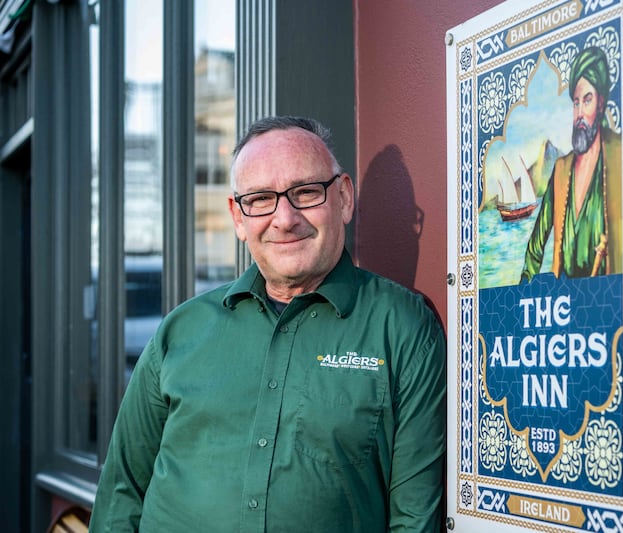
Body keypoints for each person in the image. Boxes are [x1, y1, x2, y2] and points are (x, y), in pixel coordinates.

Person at [89, 116, 447, 532]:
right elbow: (121, 495)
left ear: (344, 198)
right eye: (260, 199)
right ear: (238, 218)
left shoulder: (402, 327)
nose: (284, 218)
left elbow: (414, 519)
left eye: (306, 192)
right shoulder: (179, 331)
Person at [520, 46, 622, 281]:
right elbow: (536, 246)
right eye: (576, 103)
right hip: (564, 302)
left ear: (601, 103)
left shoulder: (619, 156)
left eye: (587, 100)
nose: (579, 113)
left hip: (605, 302)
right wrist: (521, 293)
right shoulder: (562, 170)